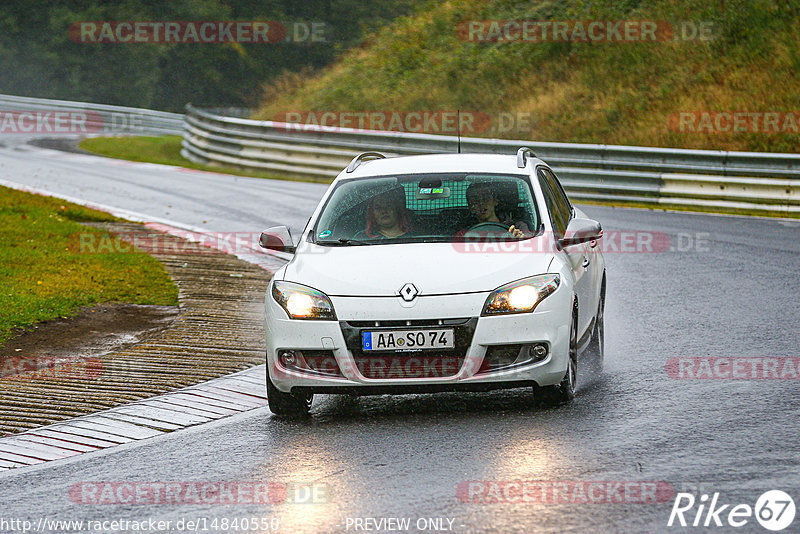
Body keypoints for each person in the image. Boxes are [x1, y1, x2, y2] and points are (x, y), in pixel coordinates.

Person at [458, 182, 530, 238]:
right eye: (475, 200)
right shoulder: (464, 233)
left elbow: (531, 246)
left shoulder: (518, 227)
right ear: (470, 206)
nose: (481, 203)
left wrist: (521, 239)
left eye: (485, 198)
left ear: (495, 201)